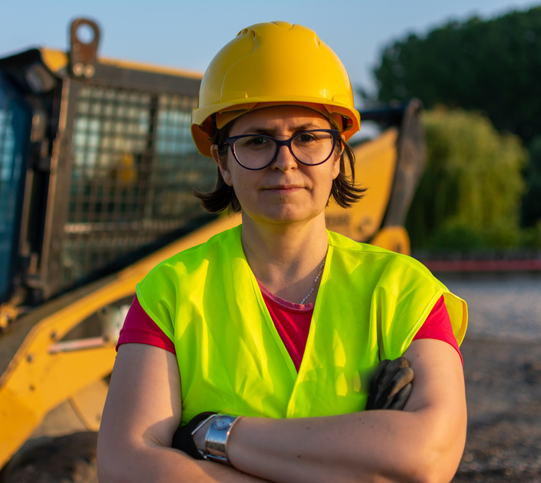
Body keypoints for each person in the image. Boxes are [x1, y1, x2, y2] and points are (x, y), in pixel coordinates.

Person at [98, 21, 468, 482]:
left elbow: (428, 457)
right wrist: (358, 459)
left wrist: (216, 434)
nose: (285, 160)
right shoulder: (170, 292)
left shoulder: (403, 290)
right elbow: (125, 463)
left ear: (337, 154)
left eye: (308, 138)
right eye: (256, 141)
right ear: (222, 162)